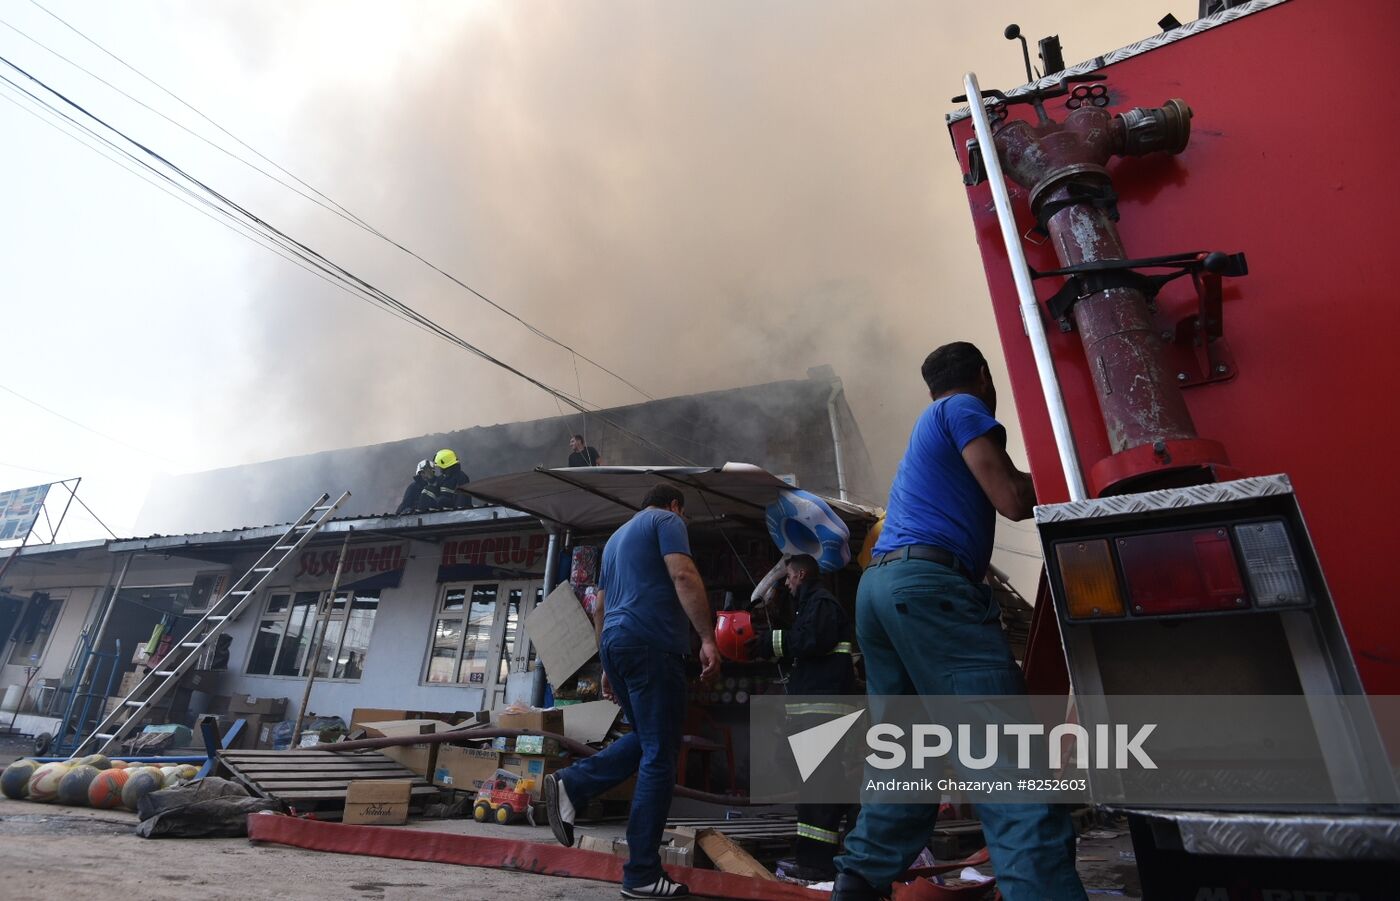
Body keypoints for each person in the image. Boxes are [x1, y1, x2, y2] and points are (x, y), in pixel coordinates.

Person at [832, 342, 1086, 901]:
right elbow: (1013, 499)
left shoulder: (927, 428)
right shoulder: (962, 407)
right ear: (982, 376)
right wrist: (1073, 474)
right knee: (1007, 760)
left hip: (880, 592)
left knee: (907, 755)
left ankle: (858, 883)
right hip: (930, 591)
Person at [544, 484, 720, 899]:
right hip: (652, 646)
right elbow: (682, 573)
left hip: (617, 646)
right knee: (661, 756)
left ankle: (575, 784)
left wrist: (607, 664)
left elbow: (600, 606)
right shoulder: (668, 521)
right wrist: (707, 638)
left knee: (648, 739)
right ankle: (641, 873)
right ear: (675, 505)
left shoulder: (616, 539)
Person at [746, 553, 858, 883]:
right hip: (813, 706)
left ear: (803, 574)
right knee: (803, 772)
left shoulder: (822, 602)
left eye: (790, 578)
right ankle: (843, 807)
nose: (788, 584)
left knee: (818, 786)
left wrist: (770, 642)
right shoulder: (810, 604)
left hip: (824, 707)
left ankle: (815, 862)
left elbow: (812, 640)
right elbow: (805, 637)